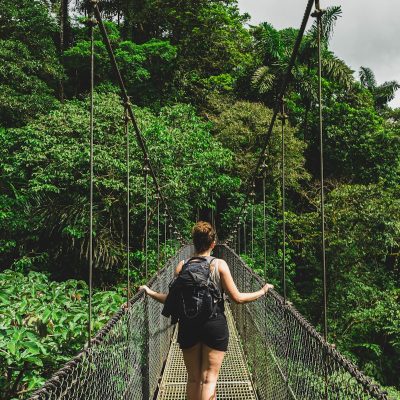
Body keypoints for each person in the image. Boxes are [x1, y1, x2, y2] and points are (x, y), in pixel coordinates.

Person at [139, 221, 273, 400]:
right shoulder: (220, 265)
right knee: (209, 379)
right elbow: (238, 299)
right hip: (214, 324)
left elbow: (171, 300)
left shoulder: (182, 266)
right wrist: (262, 291)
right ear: (213, 244)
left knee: (193, 380)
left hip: (188, 325)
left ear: (193, 242)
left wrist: (150, 292)